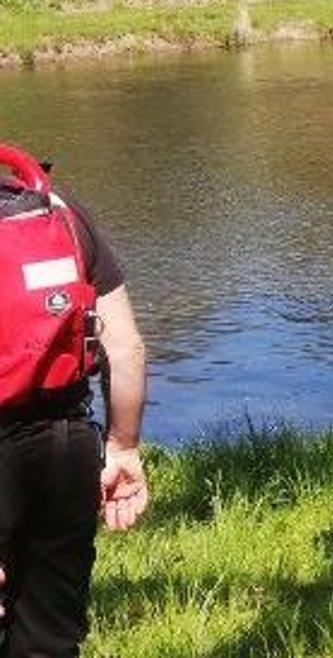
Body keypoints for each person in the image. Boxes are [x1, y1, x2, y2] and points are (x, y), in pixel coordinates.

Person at [0, 145, 150, 658]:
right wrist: (124, 447)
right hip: (65, 444)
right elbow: (126, 347)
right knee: (50, 630)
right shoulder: (60, 213)